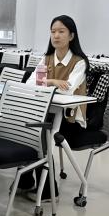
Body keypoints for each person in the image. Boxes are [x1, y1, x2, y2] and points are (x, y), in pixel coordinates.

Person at [22, 15, 90, 202]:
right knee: (25, 127)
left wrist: (46, 82)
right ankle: (26, 180)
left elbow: (68, 90)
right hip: (49, 114)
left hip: (70, 119)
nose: (56, 36)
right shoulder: (46, 59)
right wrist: (53, 82)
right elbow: (30, 84)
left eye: (61, 31)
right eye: (53, 32)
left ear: (71, 36)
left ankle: (47, 190)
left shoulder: (79, 62)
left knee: (38, 133)